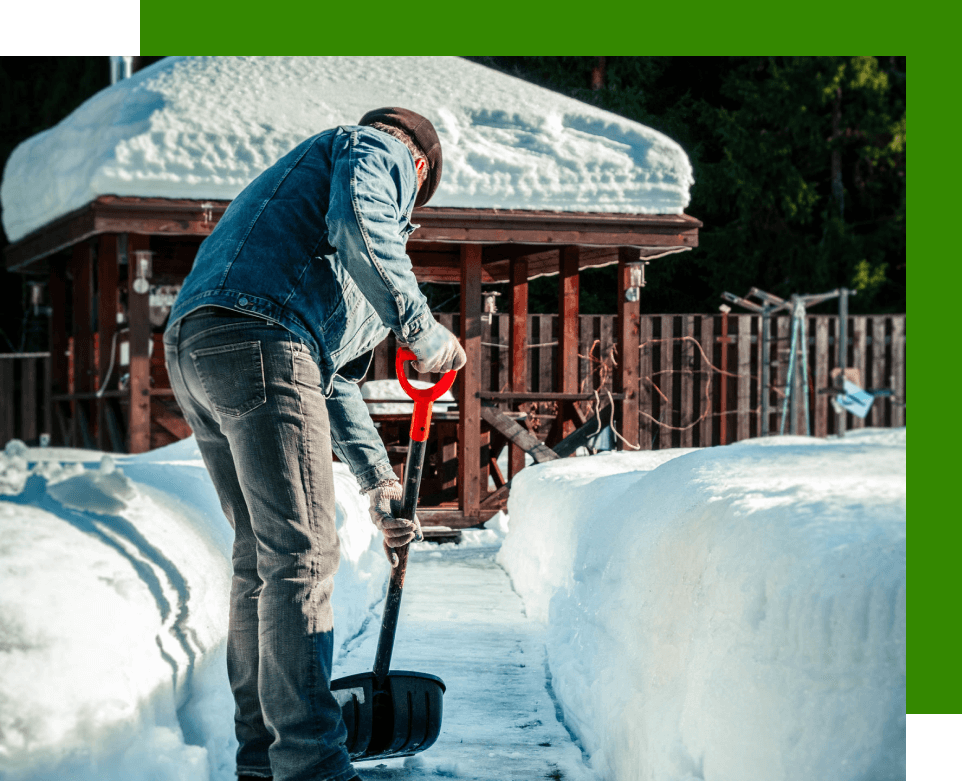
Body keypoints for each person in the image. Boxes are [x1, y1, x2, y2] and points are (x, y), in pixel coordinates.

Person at [163, 108, 466, 781]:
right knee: (300, 554)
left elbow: (331, 380)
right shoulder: (375, 147)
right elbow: (362, 222)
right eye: (412, 205)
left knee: (263, 558)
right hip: (264, 336)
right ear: (419, 168)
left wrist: (380, 483)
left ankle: (264, 760)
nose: (406, 217)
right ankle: (312, 765)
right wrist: (419, 327)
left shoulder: (310, 229)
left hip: (201, 344)